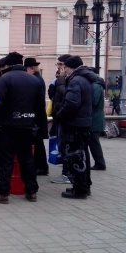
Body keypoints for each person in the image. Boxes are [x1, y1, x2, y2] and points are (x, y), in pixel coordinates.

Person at [0, 51, 47, 204]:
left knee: (5, 160)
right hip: (27, 126)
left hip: (7, 127)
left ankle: (3, 193)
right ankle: (31, 191)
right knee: (27, 159)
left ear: (8, 65)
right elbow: (41, 107)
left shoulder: (5, 79)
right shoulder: (35, 80)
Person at [54, 56, 95, 199]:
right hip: (83, 123)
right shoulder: (85, 79)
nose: (63, 70)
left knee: (75, 156)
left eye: (64, 67)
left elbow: (71, 103)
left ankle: (79, 189)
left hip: (74, 125)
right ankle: (83, 186)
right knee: (82, 155)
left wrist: (59, 115)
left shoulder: (75, 81)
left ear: (69, 68)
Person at [48, 54, 72, 184]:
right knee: (61, 144)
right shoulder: (59, 78)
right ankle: (66, 172)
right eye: (57, 65)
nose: (58, 67)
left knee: (67, 146)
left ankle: (68, 174)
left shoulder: (68, 79)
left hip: (65, 118)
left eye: (60, 65)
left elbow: (65, 96)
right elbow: (52, 94)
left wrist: (61, 80)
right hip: (59, 115)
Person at [24, 57, 49, 176]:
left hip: (37, 116)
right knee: (38, 142)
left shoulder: (35, 80)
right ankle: (41, 166)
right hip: (38, 115)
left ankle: (41, 167)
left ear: (31, 68)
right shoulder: (38, 78)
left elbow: (36, 101)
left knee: (37, 143)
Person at [87, 67, 107, 170]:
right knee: (93, 142)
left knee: (94, 143)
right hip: (95, 118)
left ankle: (100, 163)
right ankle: (99, 163)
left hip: (95, 119)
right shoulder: (96, 85)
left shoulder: (95, 86)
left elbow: (93, 102)